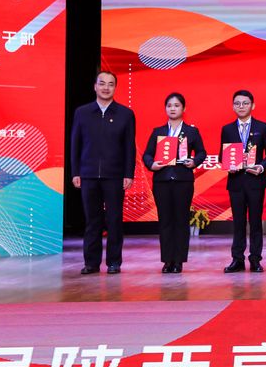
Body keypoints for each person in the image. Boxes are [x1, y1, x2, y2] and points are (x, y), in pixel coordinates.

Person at [70, 70, 136, 275]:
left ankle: (114, 262)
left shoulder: (125, 114)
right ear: (95, 86)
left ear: (115, 88)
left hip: (115, 176)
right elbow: (75, 144)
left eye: (110, 84)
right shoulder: (82, 112)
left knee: (114, 220)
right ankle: (91, 262)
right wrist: (75, 172)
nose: (106, 87)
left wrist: (128, 174)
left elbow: (129, 147)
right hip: (88, 174)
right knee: (92, 220)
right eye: (102, 83)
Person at [141, 93, 207, 273]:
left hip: (183, 180)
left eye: (176, 105)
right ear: (165, 109)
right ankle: (167, 260)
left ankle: (178, 261)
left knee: (181, 220)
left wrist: (194, 162)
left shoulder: (191, 132)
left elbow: (202, 153)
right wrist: (151, 164)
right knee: (165, 220)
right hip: (162, 180)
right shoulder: (158, 131)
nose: (172, 108)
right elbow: (147, 154)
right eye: (169, 105)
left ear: (184, 108)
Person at [220, 90, 266, 273]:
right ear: (232, 106)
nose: (241, 106)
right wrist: (228, 165)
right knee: (238, 222)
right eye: (237, 103)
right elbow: (222, 155)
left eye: (245, 103)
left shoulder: (263, 127)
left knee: (255, 221)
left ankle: (255, 259)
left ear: (253, 105)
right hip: (236, 182)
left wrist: (261, 167)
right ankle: (237, 259)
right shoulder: (227, 129)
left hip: (255, 181)